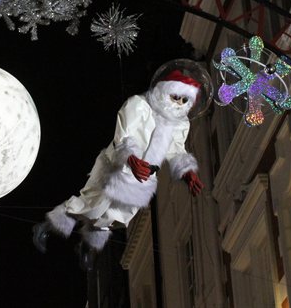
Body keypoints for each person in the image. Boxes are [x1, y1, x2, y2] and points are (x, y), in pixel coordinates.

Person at [32, 69, 205, 269]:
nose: (178, 104)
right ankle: (46, 227)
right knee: (90, 205)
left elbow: (176, 149)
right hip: (117, 166)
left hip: (143, 178)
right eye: (176, 97)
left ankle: (87, 247)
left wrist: (187, 172)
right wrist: (131, 159)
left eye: (185, 101)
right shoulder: (139, 105)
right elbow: (124, 135)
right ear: (165, 91)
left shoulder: (180, 123)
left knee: (114, 219)